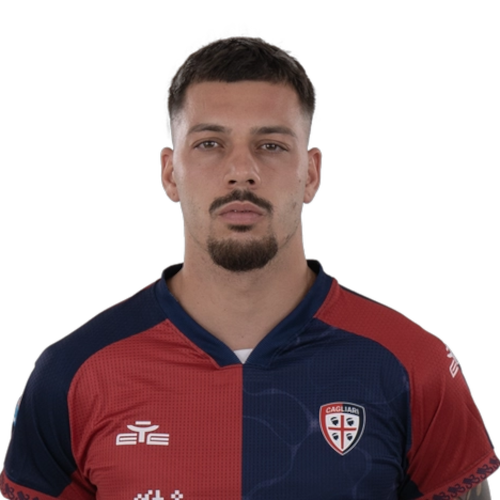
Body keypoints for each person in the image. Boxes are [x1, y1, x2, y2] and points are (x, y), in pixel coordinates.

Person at [1, 35, 498, 500]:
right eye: (210, 143)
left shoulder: (414, 366)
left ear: (311, 173)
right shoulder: (75, 372)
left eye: (271, 145)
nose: (242, 171)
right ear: (170, 173)